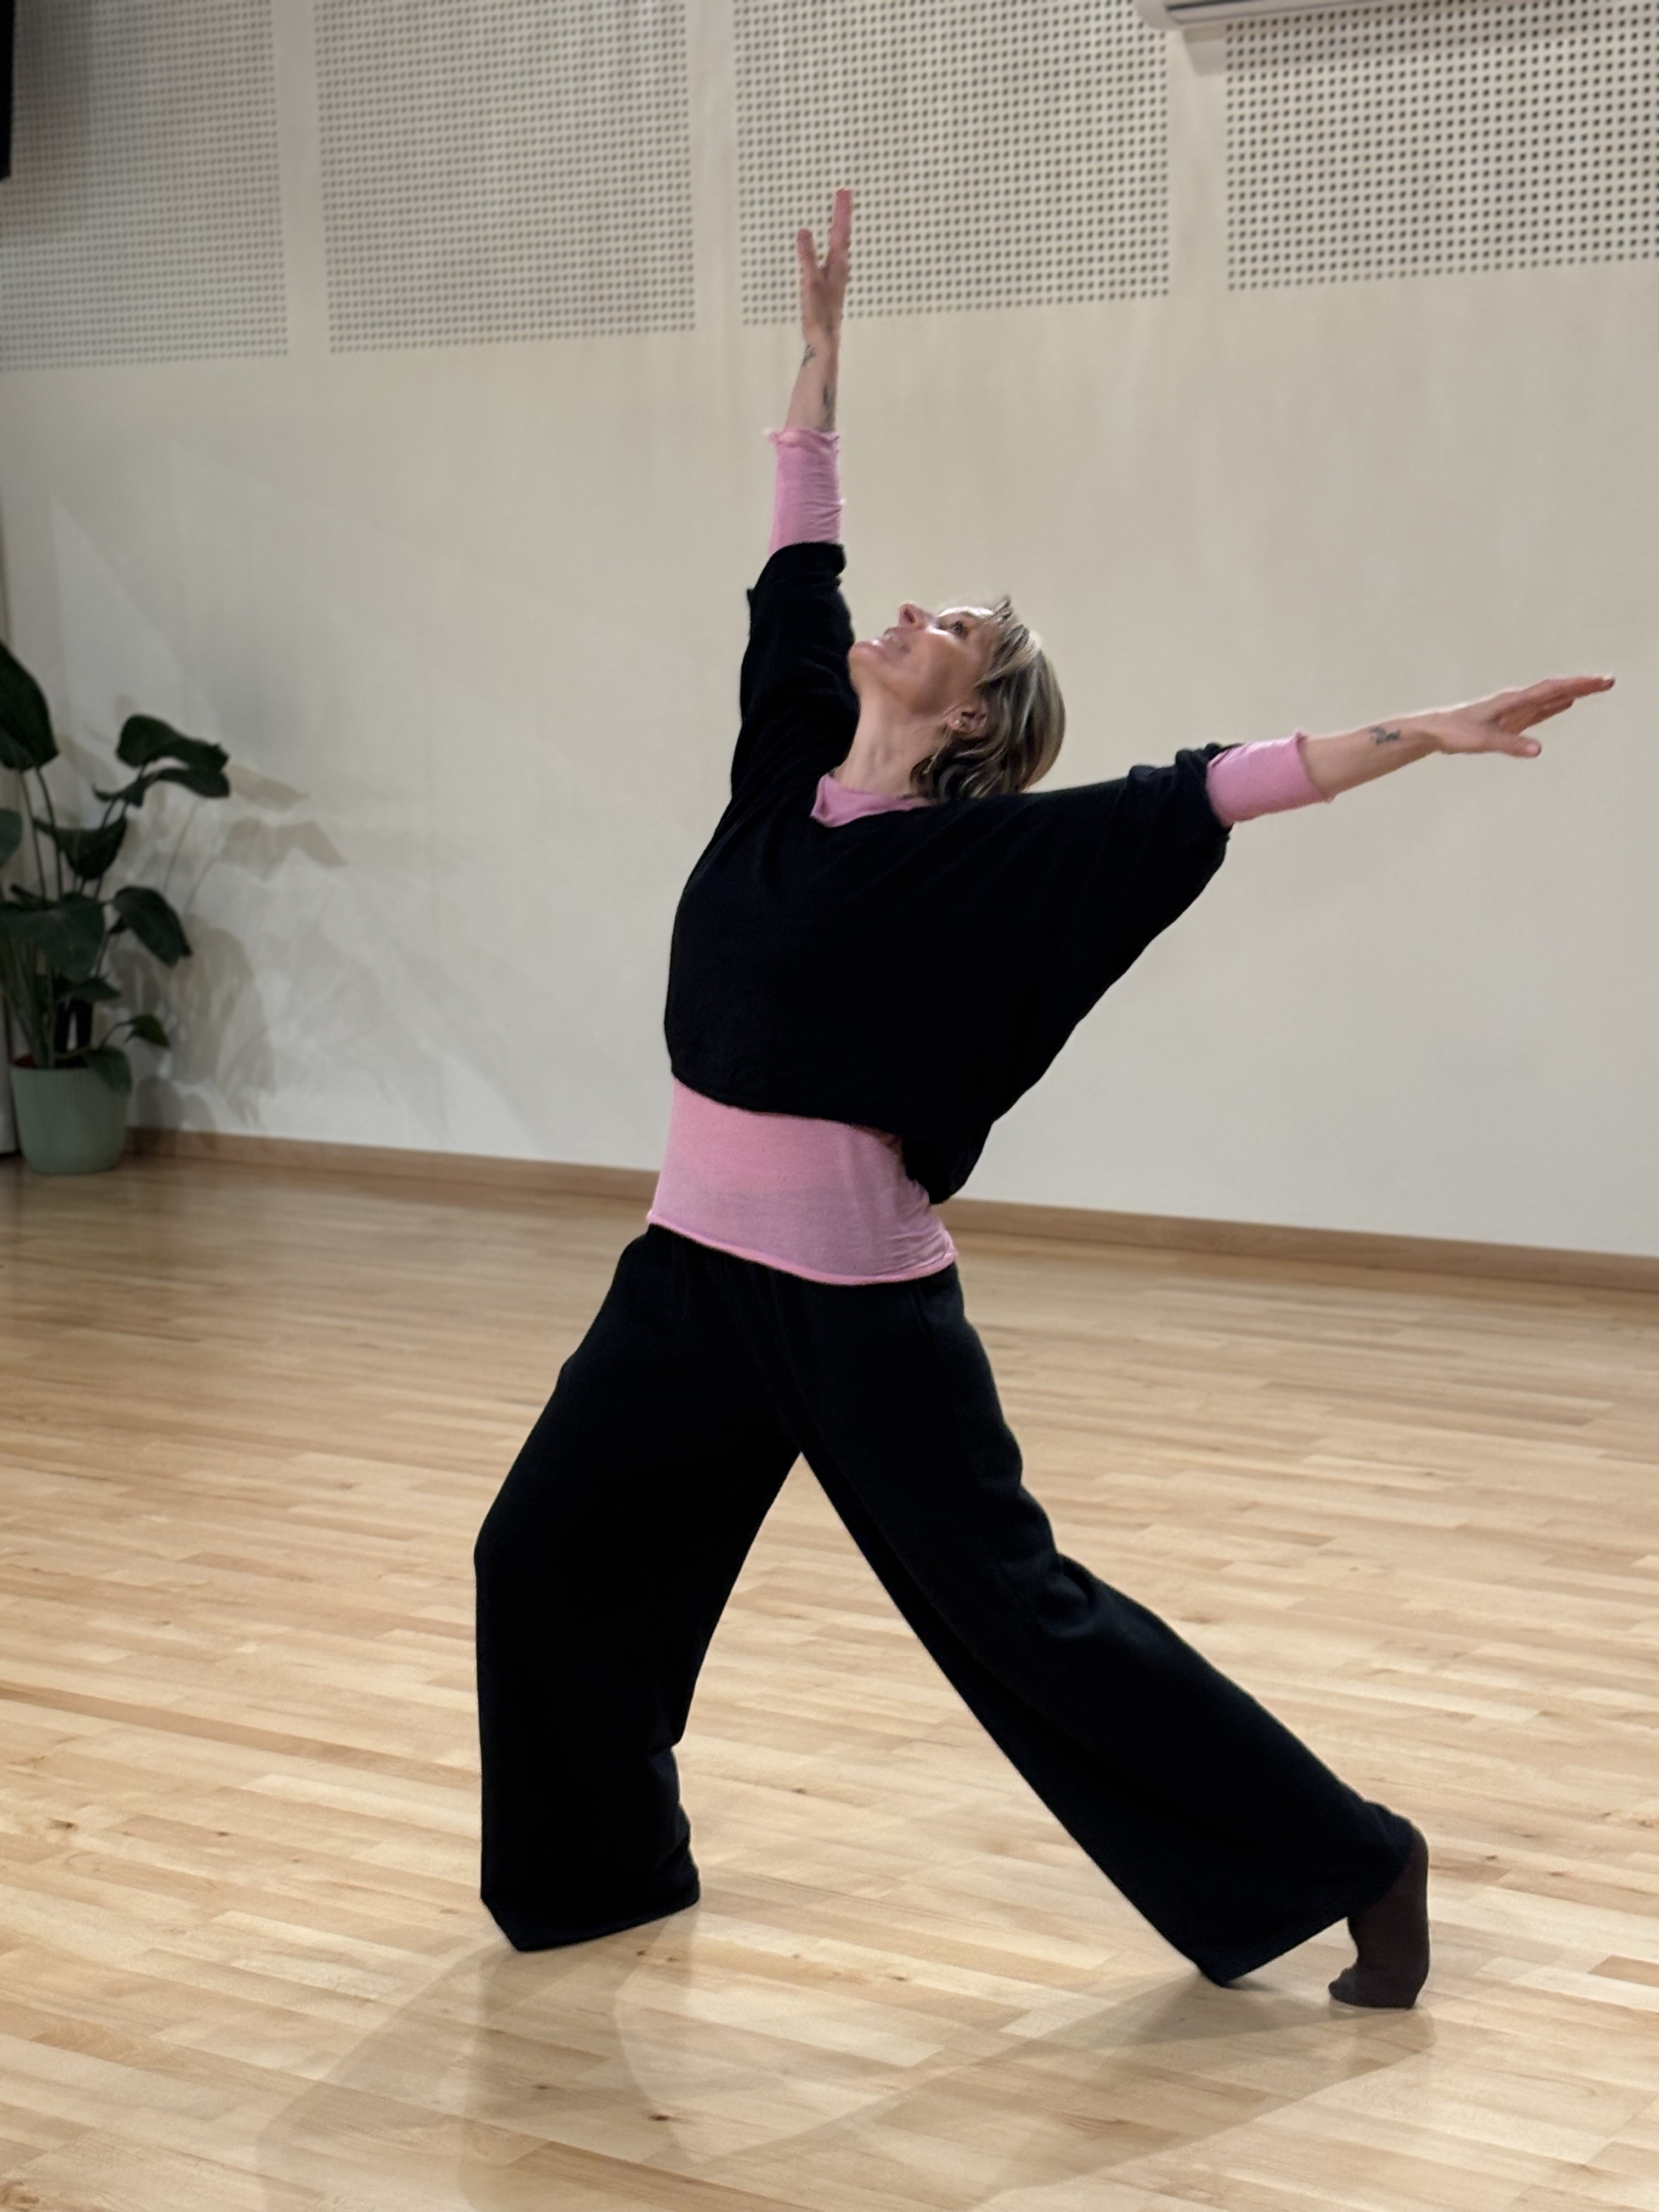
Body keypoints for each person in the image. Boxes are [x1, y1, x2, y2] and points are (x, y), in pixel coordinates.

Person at [474, 189, 1611, 2010]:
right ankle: (597, 1875)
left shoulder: (983, 862)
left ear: (977, 717)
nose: (915, 611)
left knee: (1016, 1618)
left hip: (856, 1312)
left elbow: (1205, 792)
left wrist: (1427, 729)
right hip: (686, 1277)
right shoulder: (783, 771)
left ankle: (1354, 1857)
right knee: (546, 1555)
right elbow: (798, 564)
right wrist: (821, 361)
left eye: (961, 624)